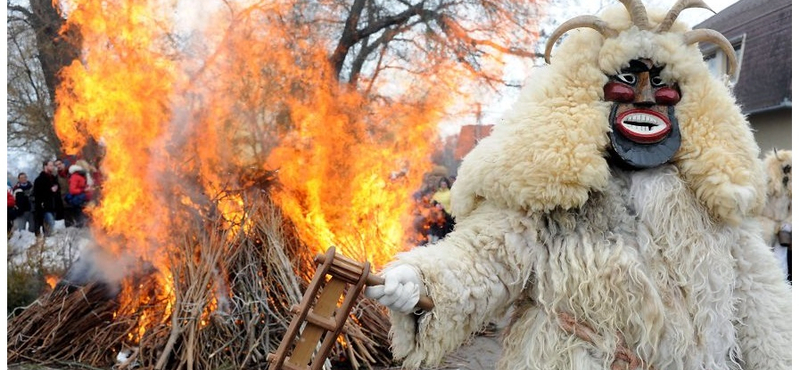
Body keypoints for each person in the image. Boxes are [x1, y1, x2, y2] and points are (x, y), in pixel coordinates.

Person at [365, 2, 791, 370]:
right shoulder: (553, 191)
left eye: (661, 83)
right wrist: (421, 281)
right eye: (628, 79)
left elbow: (763, 303)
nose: (644, 97)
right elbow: (481, 259)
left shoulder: (710, 203)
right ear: (586, 92)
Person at [33, 160, 60, 236]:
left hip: (53, 205)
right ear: (45, 166)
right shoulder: (39, 180)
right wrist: (50, 190)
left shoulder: (53, 178)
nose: (52, 167)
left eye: (52, 165)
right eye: (50, 165)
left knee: (50, 223)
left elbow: (57, 189)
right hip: (44, 206)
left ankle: (48, 238)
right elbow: (38, 194)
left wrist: (56, 189)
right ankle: (48, 239)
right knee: (51, 223)